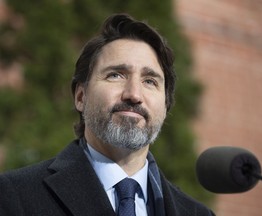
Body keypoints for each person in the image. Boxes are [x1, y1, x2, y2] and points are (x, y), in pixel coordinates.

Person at [0, 14, 215, 216]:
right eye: (116, 75)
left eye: (150, 81)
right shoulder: (14, 196)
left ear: (166, 105)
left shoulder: (196, 213)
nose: (133, 94)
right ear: (81, 97)